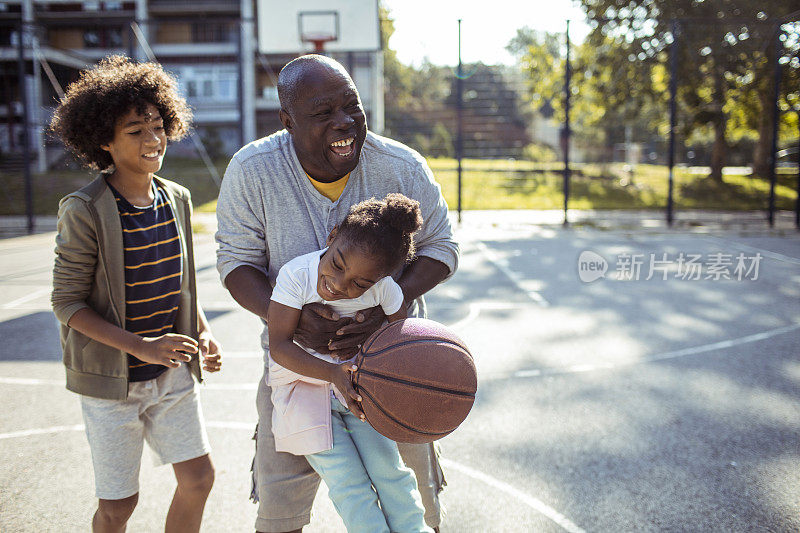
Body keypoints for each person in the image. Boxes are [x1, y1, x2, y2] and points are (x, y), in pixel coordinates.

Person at [215, 54, 459, 533]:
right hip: (295, 371)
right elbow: (235, 262)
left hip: (394, 364)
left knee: (412, 507)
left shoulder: (401, 166)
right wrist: (286, 315)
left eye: (352, 107)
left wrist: (387, 305)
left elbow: (442, 246)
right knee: (279, 513)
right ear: (288, 121)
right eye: (323, 113)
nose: (343, 122)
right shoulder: (252, 170)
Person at [50, 55, 223, 533]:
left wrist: (203, 333)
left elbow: (182, 283)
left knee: (199, 478)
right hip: (112, 385)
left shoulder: (177, 198)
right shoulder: (85, 209)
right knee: (119, 507)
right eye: (135, 130)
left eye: (157, 124)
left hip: (171, 375)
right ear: (103, 141)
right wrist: (142, 347)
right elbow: (66, 304)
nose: (153, 139)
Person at [268, 194, 431, 533]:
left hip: (360, 392)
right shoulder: (297, 275)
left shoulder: (386, 290)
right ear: (332, 237)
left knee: (392, 474)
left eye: (360, 284)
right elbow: (279, 346)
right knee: (349, 484)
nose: (340, 285)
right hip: (303, 390)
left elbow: (398, 340)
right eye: (338, 265)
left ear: (383, 278)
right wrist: (331, 373)